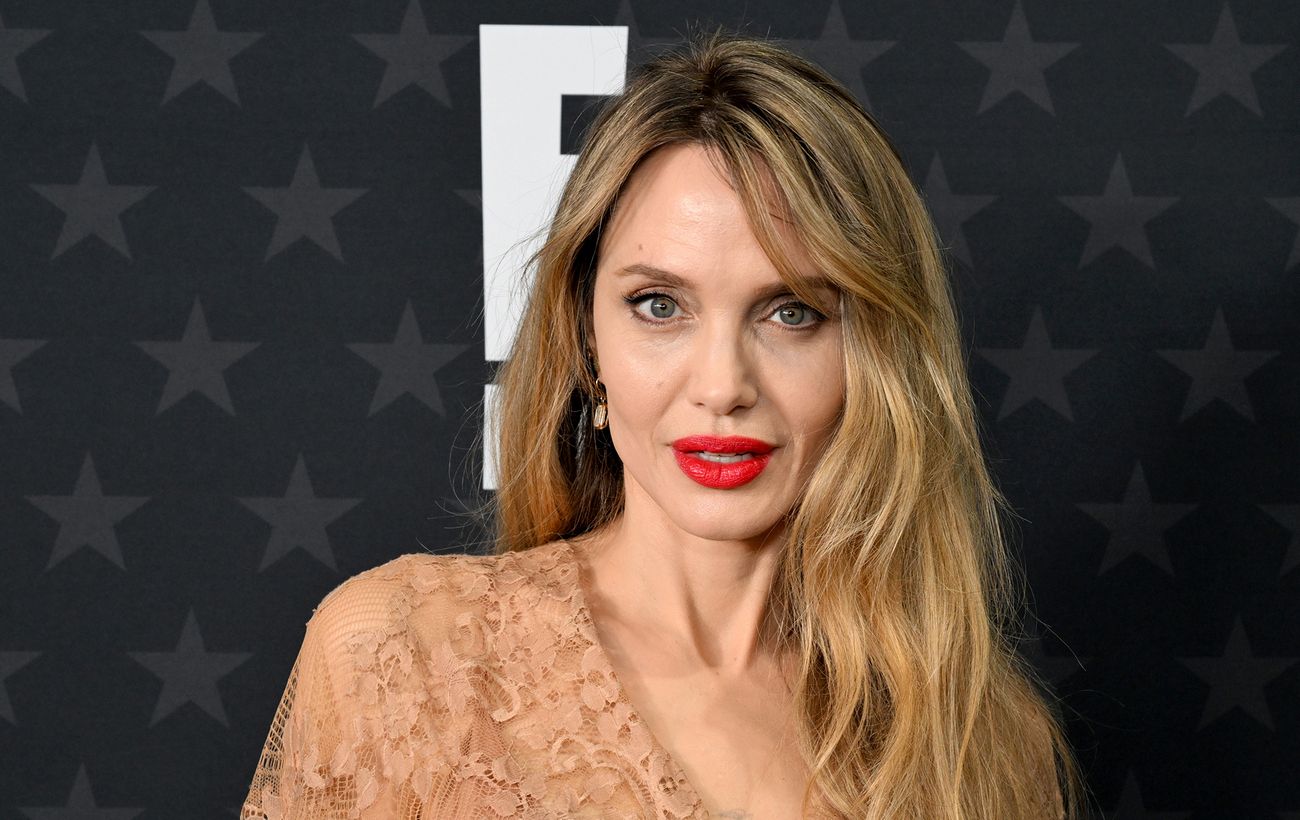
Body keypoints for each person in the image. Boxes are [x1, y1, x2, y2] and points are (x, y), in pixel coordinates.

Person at [240, 33, 1085, 819]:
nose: (722, 387)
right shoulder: (402, 654)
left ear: (876, 355)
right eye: (659, 305)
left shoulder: (987, 745)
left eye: (791, 312)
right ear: (587, 341)